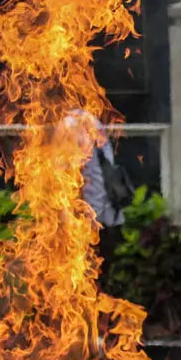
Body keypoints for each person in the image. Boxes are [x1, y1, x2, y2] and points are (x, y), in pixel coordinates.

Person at [63, 109, 126, 280]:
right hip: (108, 215)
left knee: (84, 277)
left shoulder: (71, 125)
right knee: (101, 275)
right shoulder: (92, 123)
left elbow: (72, 174)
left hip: (88, 219)